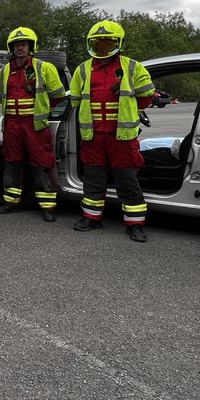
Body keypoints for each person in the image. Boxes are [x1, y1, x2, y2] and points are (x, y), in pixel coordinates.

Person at [69, 19, 156, 243]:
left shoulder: (132, 67)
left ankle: (135, 225)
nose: (103, 48)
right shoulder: (83, 69)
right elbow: (77, 101)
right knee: (93, 179)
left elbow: (146, 95)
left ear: (117, 43)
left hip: (122, 136)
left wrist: (128, 108)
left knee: (127, 180)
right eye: (98, 44)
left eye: (108, 43)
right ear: (92, 44)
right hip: (94, 135)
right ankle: (91, 218)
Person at [0, 26, 68, 222]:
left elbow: (59, 95)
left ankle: (47, 207)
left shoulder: (44, 68)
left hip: (34, 125)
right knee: (11, 163)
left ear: (30, 46)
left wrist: (42, 110)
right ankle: (11, 202)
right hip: (11, 123)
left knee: (41, 164)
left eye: (23, 45)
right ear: (12, 48)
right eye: (17, 45)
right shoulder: (4, 72)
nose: (20, 48)